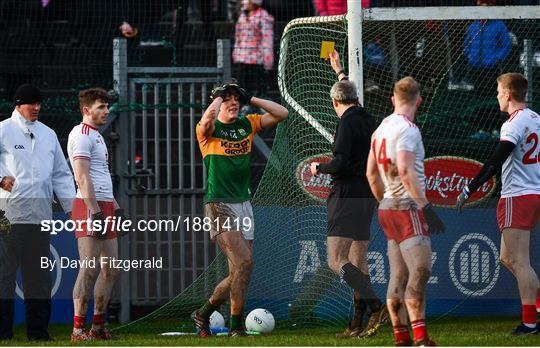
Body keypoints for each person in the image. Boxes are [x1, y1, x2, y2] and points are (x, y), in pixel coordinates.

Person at [192, 81, 288, 337]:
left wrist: (252, 98)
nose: (233, 103)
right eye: (228, 99)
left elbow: (282, 114)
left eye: (236, 99)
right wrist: (217, 97)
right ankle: (235, 327)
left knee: (240, 269)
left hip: (244, 204)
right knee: (245, 261)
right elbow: (205, 122)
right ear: (218, 103)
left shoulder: (248, 124)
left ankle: (205, 314)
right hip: (219, 203)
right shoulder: (209, 130)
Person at [309, 50, 388, 338]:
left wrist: (320, 167)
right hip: (367, 194)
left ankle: (376, 303)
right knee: (359, 260)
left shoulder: (346, 123)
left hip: (345, 194)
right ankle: (356, 325)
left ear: (333, 103)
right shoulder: (366, 117)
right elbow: (348, 93)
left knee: (335, 260)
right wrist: (339, 72)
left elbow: (340, 162)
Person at [457, 73, 540, 335]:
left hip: (518, 194)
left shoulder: (513, 124)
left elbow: (497, 159)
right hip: (532, 191)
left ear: (508, 94)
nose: (496, 96)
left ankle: (529, 322)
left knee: (520, 261)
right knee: (508, 258)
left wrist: (470, 186)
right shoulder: (536, 118)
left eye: (498, 91)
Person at [366, 77, 444, 346]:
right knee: (421, 270)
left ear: (392, 99)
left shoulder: (381, 128)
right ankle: (420, 336)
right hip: (406, 205)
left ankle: (401, 336)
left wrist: (384, 201)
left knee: (399, 274)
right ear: (419, 100)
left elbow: (371, 174)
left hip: (387, 206)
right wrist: (426, 207)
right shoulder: (408, 130)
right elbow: (405, 169)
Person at [0, 84, 75, 341]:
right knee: (4, 276)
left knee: (39, 278)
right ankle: (3, 333)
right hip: (8, 217)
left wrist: (72, 209)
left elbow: (61, 175)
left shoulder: (48, 134)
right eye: (32, 103)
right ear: (18, 104)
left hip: (41, 217)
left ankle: (39, 333)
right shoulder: (3, 130)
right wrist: (0, 179)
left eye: (39, 103)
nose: (37, 107)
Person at [68, 88, 123, 341]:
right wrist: (95, 211)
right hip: (89, 206)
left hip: (104, 204)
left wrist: (114, 206)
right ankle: (78, 329)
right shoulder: (80, 135)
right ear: (86, 110)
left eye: (107, 106)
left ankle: (98, 327)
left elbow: (101, 176)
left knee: (111, 269)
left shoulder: (97, 136)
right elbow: (82, 176)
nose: (106, 110)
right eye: (101, 107)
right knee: (89, 268)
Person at [450, 0, 512, 91]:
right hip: (475, 66)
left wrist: (498, 58)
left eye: (483, 7)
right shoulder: (474, 26)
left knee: (492, 91)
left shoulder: (499, 25)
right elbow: (466, 44)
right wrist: (470, 56)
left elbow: (506, 45)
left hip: (491, 67)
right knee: (477, 91)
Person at [232, 0, 274, 97]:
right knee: (241, 86)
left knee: (256, 86)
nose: (243, 2)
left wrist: (268, 61)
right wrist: (236, 53)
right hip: (242, 58)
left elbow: (267, 40)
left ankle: (256, 107)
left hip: (256, 59)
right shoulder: (242, 16)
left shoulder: (263, 17)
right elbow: (238, 36)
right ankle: (244, 106)